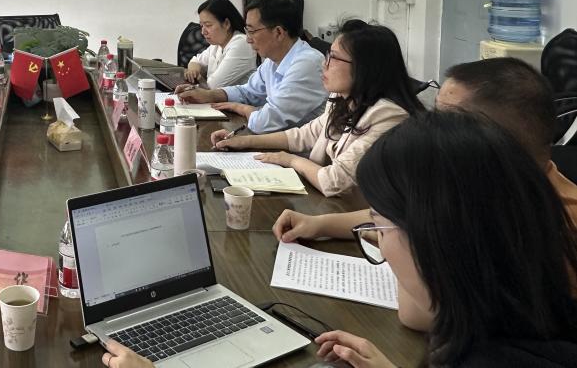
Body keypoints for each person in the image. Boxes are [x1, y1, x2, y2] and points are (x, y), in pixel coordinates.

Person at [103, 113, 577, 368]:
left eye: (380, 226)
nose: (381, 247)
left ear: (443, 239)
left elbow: (415, 312)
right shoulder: (533, 319)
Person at [272, 56, 577, 330]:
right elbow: (397, 216)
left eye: (444, 121)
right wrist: (321, 224)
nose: (427, 129)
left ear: (491, 144)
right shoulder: (489, 187)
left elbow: (419, 315)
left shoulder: (556, 226)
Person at [209, 22, 424, 195]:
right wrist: (244, 142)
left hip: (366, 217)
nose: (324, 64)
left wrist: (290, 160)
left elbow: (334, 181)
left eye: (334, 58)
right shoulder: (343, 98)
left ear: (365, 67)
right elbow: (305, 135)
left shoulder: (388, 115)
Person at [178, 0, 326, 132]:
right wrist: (209, 95)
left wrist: (240, 108)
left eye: (252, 31)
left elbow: (265, 122)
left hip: (303, 149)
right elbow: (248, 92)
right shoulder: (272, 61)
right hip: (277, 140)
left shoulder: (307, 64)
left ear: (278, 32)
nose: (248, 39)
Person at [174, 0, 256, 91]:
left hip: (239, 100)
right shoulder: (217, 45)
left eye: (208, 25)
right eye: (201, 26)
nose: (203, 32)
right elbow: (195, 60)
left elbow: (213, 86)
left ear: (226, 24)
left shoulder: (242, 43)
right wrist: (193, 71)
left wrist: (198, 78)